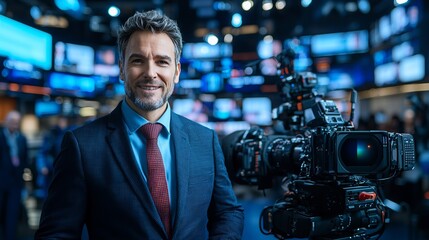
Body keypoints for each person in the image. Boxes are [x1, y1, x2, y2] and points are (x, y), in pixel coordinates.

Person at [35, 10, 244, 239]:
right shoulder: (82, 146)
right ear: (122, 68)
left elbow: (227, 211)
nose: (150, 73)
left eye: (162, 62)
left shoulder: (205, 140)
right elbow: (56, 233)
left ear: (176, 71)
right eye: (137, 60)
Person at [0, 110, 29, 240]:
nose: (14, 125)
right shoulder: (1, 137)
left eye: (17, 123)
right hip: (1, 181)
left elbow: (25, 160)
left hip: (16, 182)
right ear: (6, 122)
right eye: (12, 122)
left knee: (12, 214)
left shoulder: (22, 139)